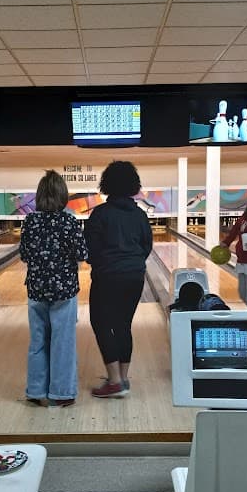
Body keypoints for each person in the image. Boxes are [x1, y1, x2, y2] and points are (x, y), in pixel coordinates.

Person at [19, 170, 88, 407]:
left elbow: (24, 255)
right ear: (63, 195)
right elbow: (82, 254)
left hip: (37, 289)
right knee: (63, 341)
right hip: (64, 291)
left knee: (38, 341)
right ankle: (61, 393)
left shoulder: (30, 221)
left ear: (39, 196)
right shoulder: (68, 221)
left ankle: (36, 391)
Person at [85, 161, 152, 398]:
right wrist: (131, 264)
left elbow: (90, 249)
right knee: (123, 325)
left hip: (107, 276)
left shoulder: (100, 214)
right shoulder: (140, 215)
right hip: (134, 276)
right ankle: (122, 378)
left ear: (107, 184)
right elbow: (147, 247)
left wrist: (103, 264)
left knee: (102, 324)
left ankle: (114, 382)